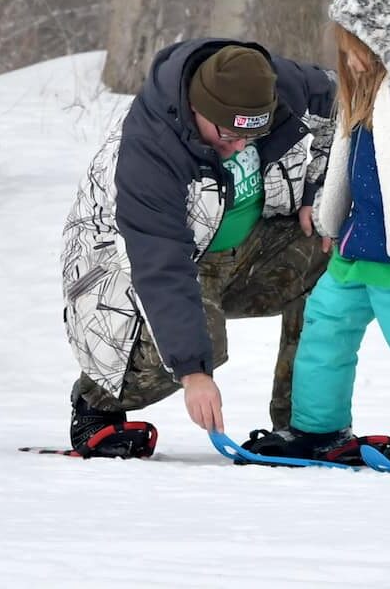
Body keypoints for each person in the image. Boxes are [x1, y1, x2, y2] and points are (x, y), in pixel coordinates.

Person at [61, 39, 335, 458]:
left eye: (253, 135)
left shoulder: (277, 85)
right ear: (196, 107)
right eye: (226, 134)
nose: (239, 146)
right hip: (133, 271)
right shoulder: (149, 147)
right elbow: (161, 263)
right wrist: (193, 372)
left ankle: (304, 424)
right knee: (197, 349)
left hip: (249, 249)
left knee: (333, 251)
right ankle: (97, 401)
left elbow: (343, 108)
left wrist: (319, 190)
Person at [242, 0, 390, 462]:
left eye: (358, 45)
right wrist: (331, 219)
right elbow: (345, 168)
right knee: (324, 331)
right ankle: (318, 427)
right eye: (345, 46)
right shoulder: (359, 97)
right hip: (356, 247)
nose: (349, 57)